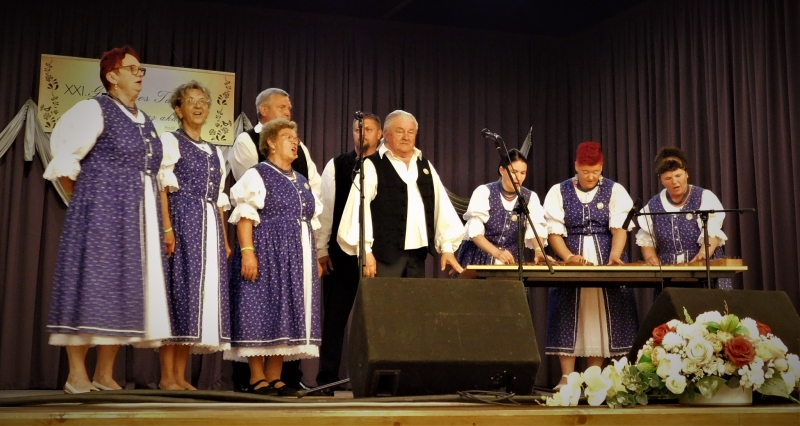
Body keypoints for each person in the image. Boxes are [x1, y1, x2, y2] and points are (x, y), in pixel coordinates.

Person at [43, 46, 171, 394]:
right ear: (112, 75)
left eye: (141, 69)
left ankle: (104, 374)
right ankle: (76, 374)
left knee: (122, 291)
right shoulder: (93, 110)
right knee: (91, 287)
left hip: (136, 219)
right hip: (101, 214)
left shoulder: (145, 120)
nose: (139, 74)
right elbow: (65, 162)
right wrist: (88, 203)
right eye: (132, 68)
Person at [227, 88, 320, 390]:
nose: (295, 142)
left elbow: (311, 221)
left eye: (296, 138)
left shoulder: (302, 181)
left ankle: (276, 376)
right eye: (287, 137)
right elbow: (244, 216)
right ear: (270, 142)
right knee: (259, 308)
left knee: (285, 312)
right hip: (266, 251)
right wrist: (248, 252)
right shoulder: (258, 174)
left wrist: (315, 256)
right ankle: (257, 376)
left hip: (295, 256)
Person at [542, 141, 639, 389]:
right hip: (571, 256)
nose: (590, 176)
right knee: (568, 312)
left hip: (603, 256)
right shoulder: (559, 191)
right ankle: (567, 377)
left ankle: (593, 375)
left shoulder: (615, 190)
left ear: (601, 167)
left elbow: (619, 229)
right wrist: (567, 257)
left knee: (600, 313)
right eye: (585, 171)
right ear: (576, 166)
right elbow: (554, 231)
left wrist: (615, 255)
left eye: (595, 171)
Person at [156, 81, 232, 390]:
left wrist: (224, 240)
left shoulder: (215, 151)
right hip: (183, 222)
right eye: (191, 101)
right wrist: (167, 227)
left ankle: (180, 375)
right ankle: (167, 377)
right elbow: (162, 186)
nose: (199, 106)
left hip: (209, 227)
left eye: (203, 101)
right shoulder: (170, 141)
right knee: (178, 295)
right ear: (178, 109)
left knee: (194, 300)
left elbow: (219, 199)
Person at [337, 110, 465, 278]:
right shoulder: (372, 165)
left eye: (411, 132)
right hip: (383, 258)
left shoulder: (424, 166)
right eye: (400, 131)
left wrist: (447, 247)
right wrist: (365, 250)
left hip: (417, 257)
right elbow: (358, 209)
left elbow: (442, 207)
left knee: (414, 296)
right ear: (386, 134)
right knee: (382, 296)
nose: (406, 137)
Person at [315, 113, 382, 388]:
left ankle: (375, 380)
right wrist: (322, 248)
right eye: (358, 129)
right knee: (334, 317)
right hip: (340, 254)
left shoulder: (387, 165)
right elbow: (326, 208)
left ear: (380, 134)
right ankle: (327, 379)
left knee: (378, 320)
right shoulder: (337, 164)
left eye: (368, 129)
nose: (362, 133)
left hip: (379, 255)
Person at [635, 147, 730, 288]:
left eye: (678, 175)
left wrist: (703, 253)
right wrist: (651, 257)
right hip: (669, 275)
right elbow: (646, 238)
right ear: (661, 180)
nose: (674, 182)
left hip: (704, 270)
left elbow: (714, 231)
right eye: (668, 178)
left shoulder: (704, 197)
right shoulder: (653, 205)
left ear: (686, 173)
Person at [457, 149, 548, 267]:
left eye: (523, 173)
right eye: (514, 172)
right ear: (502, 170)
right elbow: (474, 232)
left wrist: (539, 251)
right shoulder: (484, 192)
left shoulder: (529, 197)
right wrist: (497, 253)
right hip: (479, 258)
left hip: (511, 261)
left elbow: (535, 226)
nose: (518, 177)